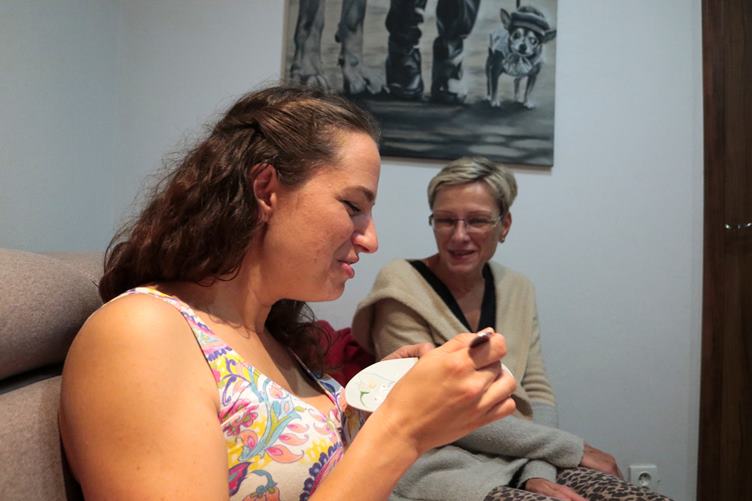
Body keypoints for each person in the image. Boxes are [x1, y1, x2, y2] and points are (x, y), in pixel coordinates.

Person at [58, 87, 518, 500]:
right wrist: (402, 429)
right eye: (353, 206)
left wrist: (384, 400)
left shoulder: (273, 339)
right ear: (266, 190)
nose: (371, 240)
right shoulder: (141, 332)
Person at [351, 156, 672, 500]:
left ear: (504, 225)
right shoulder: (401, 284)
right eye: (445, 220)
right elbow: (436, 407)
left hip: (525, 452)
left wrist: (537, 472)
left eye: (477, 221)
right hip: (441, 461)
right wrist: (570, 448)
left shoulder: (517, 288)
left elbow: (537, 392)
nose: (459, 236)